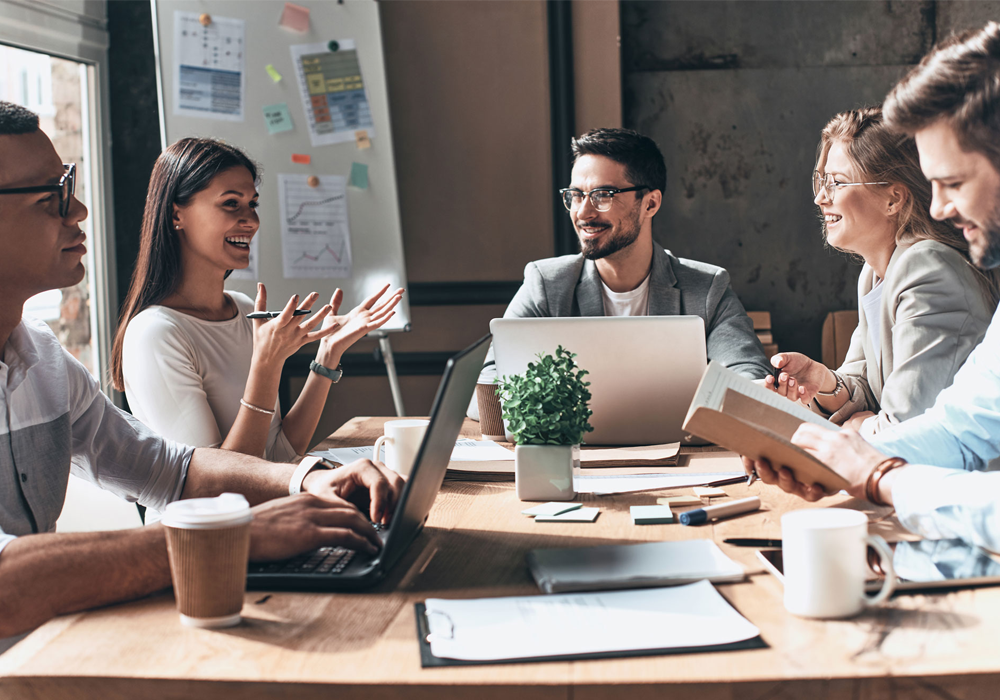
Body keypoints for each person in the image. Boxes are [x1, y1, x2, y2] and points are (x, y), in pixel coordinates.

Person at [0, 102, 403, 646]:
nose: (80, 211)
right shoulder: (155, 329)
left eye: (68, 185)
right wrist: (237, 535)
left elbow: (170, 469)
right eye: (52, 194)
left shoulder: (44, 360)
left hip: (49, 654)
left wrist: (308, 479)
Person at [744, 22, 1000, 552]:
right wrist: (829, 455)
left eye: (953, 183)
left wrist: (880, 470)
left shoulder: (928, 269)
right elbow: (961, 429)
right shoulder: (877, 273)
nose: (941, 208)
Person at [110, 138, 402, 464]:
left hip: (268, 511)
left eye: (253, 204)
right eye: (231, 204)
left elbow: (277, 454)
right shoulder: (155, 334)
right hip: (215, 515)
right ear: (177, 214)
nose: (251, 220)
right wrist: (266, 365)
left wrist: (328, 354)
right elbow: (216, 485)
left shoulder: (246, 310)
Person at [470, 127, 770, 418]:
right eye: (576, 195)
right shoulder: (546, 284)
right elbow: (485, 390)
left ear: (650, 203)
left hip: (681, 459)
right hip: (576, 461)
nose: (583, 213)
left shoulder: (706, 288)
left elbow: (750, 377)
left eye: (602, 195)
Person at [767, 107, 999, 436]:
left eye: (837, 183)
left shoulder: (927, 270)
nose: (821, 198)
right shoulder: (876, 273)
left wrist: (860, 424)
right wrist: (823, 382)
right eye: (822, 181)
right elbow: (864, 383)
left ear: (893, 198)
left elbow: (906, 429)